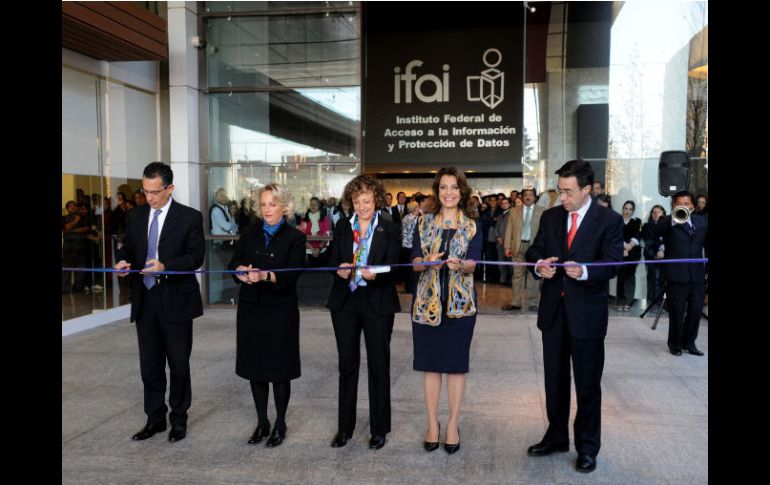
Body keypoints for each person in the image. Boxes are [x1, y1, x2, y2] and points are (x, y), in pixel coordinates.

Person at [524, 159, 623, 473]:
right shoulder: (551, 217)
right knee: (554, 381)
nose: (561, 198)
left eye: (567, 192)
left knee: (588, 385)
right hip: (554, 313)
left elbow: (612, 263)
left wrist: (584, 271)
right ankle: (556, 437)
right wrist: (541, 264)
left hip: (587, 316)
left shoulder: (609, 220)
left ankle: (587, 447)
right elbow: (533, 251)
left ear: (587, 189)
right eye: (559, 191)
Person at [114, 162, 205, 443]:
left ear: (170, 188)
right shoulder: (137, 216)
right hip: (146, 301)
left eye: (155, 192)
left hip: (176, 301)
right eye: (145, 191)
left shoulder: (190, 217)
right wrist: (124, 262)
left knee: (178, 365)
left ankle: (179, 419)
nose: (149, 197)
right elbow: (130, 248)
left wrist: (166, 265)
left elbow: (195, 257)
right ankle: (155, 419)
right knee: (150, 366)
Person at [411, 166, 483, 455]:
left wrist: (461, 265)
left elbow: (474, 263)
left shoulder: (473, 225)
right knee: (430, 366)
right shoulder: (424, 222)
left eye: (454, 187)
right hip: (427, 304)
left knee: (455, 366)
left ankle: (452, 424)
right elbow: (413, 263)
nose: (449, 192)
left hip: (460, 307)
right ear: (437, 191)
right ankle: (432, 423)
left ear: (461, 191)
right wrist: (426, 260)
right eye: (443, 187)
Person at [326, 174, 401, 450]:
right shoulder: (344, 226)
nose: (362, 206)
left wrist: (376, 275)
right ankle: (345, 428)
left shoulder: (390, 228)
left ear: (377, 200)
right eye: (357, 201)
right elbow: (333, 258)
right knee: (347, 365)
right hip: (346, 302)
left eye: (367, 200)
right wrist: (339, 269)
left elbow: (395, 265)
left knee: (379, 365)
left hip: (377, 301)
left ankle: (379, 428)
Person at [228, 184, 306, 447]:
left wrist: (266, 275)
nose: (267, 209)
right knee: (256, 368)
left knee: (279, 368)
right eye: (263, 205)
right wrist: (238, 270)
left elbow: (294, 272)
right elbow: (233, 262)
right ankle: (262, 421)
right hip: (251, 308)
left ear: (284, 206)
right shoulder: (250, 233)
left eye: (273, 204)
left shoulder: (294, 236)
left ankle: (280, 422)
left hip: (280, 310)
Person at [662, 191, 708, 356]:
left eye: (686, 204)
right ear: (674, 205)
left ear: (693, 206)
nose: (683, 206)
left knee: (695, 311)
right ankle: (675, 343)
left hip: (697, 276)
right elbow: (657, 231)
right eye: (679, 203)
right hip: (676, 275)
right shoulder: (668, 222)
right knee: (676, 311)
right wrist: (672, 220)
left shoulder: (702, 222)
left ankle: (690, 343)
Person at [503, 188, 545, 311]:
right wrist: (507, 246)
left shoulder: (542, 211)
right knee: (517, 275)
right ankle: (516, 302)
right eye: (525, 195)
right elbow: (509, 229)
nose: (528, 197)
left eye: (531, 195)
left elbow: (545, 231)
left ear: (535, 197)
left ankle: (532, 303)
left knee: (533, 276)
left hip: (534, 248)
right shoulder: (514, 211)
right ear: (522, 197)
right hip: (518, 246)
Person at [615, 200, 642, 311]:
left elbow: (638, 235)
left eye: (630, 209)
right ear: (623, 209)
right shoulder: (616, 220)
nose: (627, 211)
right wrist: (623, 246)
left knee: (630, 276)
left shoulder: (637, 221)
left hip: (633, 253)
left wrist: (629, 246)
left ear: (633, 210)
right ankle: (620, 301)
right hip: (619, 251)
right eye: (626, 208)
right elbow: (614, 234)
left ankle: (628, 301)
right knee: (620, 276)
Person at [641, 205, 666, 306]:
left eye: (658, 212)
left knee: (662, 280)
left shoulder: (667, 225)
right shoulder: (646, 226)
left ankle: (660, 302)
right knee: (652, 278)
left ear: (663, 213)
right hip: (652, 256)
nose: (656, 214)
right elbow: (648, 242)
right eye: (654, 212)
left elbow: (668, 240)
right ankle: (652, 302)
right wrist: (656, 255)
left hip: (665, 256)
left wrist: (663, 250)